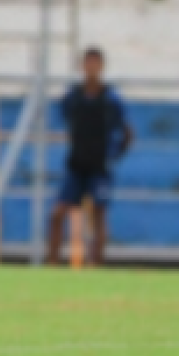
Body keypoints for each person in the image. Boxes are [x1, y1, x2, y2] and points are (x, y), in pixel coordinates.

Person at [49, 46, 132, 269]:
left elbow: (127, 131)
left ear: (102, 66)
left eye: (96, 63)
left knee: (99, 213)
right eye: (88, 63)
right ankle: (52, 263)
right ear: (82, 66)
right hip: (76, 165)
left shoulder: (110, 99)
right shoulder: (73, 97)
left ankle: (96, 263)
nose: (92, 68)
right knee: (57, 213)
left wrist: (114, 154)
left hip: (99, 167)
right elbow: (65, 119)